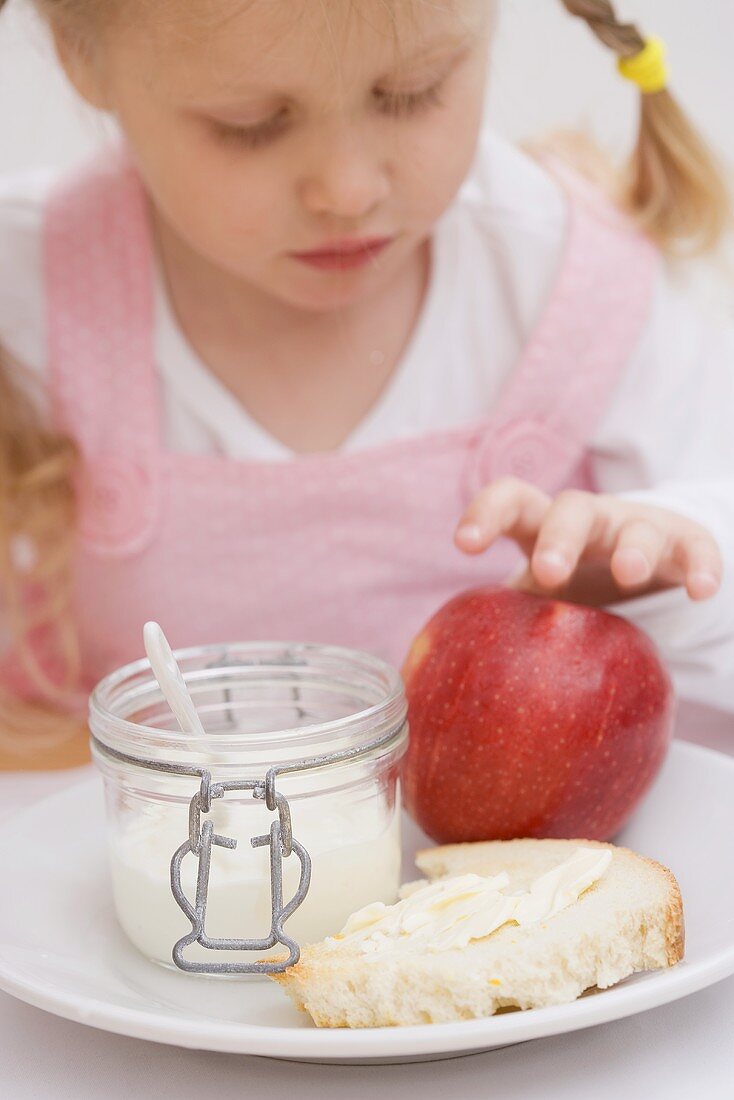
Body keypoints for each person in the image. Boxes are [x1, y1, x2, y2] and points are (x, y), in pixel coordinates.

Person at [1, 0, 733, 768]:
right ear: (82, 56)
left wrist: (664, 564)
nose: (347, 192)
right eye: (251, 124)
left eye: (412, 93)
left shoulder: (573, 281)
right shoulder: (28, 298)